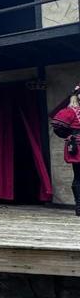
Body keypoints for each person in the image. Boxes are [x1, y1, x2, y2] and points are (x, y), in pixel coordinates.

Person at [51, 83, 80, 216]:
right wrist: (71, 136)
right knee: (79, 176)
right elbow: (57, 127)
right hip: (79, 146)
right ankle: (79, 206)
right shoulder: (71, 111)